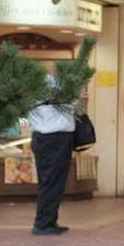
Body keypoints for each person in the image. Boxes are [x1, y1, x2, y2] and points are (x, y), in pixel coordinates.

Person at [28, 87, 87, 235]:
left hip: (52, 138)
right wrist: (78, 97)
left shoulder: (48, 89)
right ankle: (42, 223)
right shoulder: (54, 90)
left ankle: (49, 220)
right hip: (53, 138)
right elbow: (73, 107)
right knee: (51, 181)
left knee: (53, 181)